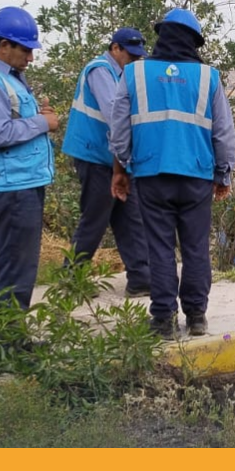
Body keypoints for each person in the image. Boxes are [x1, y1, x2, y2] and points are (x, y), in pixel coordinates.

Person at [107, 8, 235, 340]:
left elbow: (119, 131)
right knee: (195, 247)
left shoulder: (134, 74)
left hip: (151, 175)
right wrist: (223, 175)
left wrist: (123, 167)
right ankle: (196, 317)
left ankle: (163, 319)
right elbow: (223, 133)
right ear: (194, 42)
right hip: (195, 177)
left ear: (161, 36)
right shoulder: (209, 77)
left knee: (160, 248)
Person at [0, 5, 59, 311]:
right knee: (15, 270)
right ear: (4, 45)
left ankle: (12, 340)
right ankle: (7, 345)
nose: (30, 58)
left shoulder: (9, 77)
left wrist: (38, 118)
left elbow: (14, 120)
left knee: (21, 268)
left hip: (21, 183)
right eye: (26, 50)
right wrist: (44, 123)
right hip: (10, 187)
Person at [60, 27, 152, 296]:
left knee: (130, 216)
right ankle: (72, 280)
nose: (134, 60)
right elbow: (115, 115)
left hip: (115, 158)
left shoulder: (120, 73)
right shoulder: (99, 70)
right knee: (96, 217)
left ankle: (141, 279)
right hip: (95, 156)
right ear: (115, 48)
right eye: (130, 54)